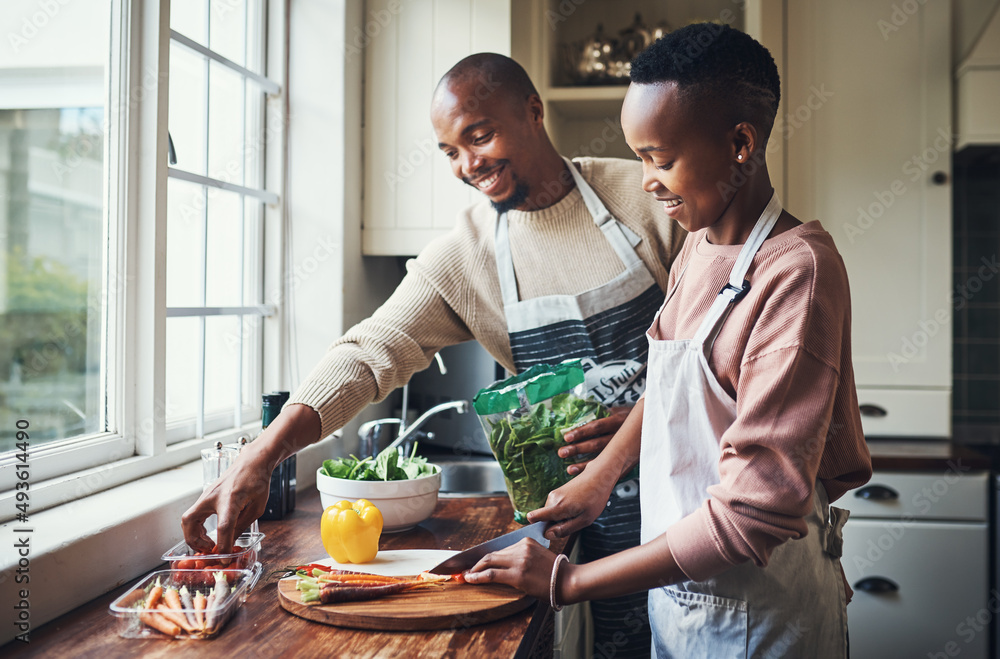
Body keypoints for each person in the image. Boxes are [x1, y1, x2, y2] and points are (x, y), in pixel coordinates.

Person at [181, 53, 685, 656]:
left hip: (695, 495)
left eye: (480, 135)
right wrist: (261, 454)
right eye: (449, 151)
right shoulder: (468, 255)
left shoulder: (648, 195)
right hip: (595, 527)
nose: (469, 165)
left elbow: (716, 349)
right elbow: (371, 351)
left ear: (533, 111)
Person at [461, 24, 874, 657]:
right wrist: (600, 477)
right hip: (685, 608)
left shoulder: (798, 274)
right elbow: (673, 388)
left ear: (741, 143)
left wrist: (566, 582)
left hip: (762, 622)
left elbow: (751, 515)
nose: (647, 181)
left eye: (660, 158)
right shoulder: (700, 248)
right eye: (640, 157)